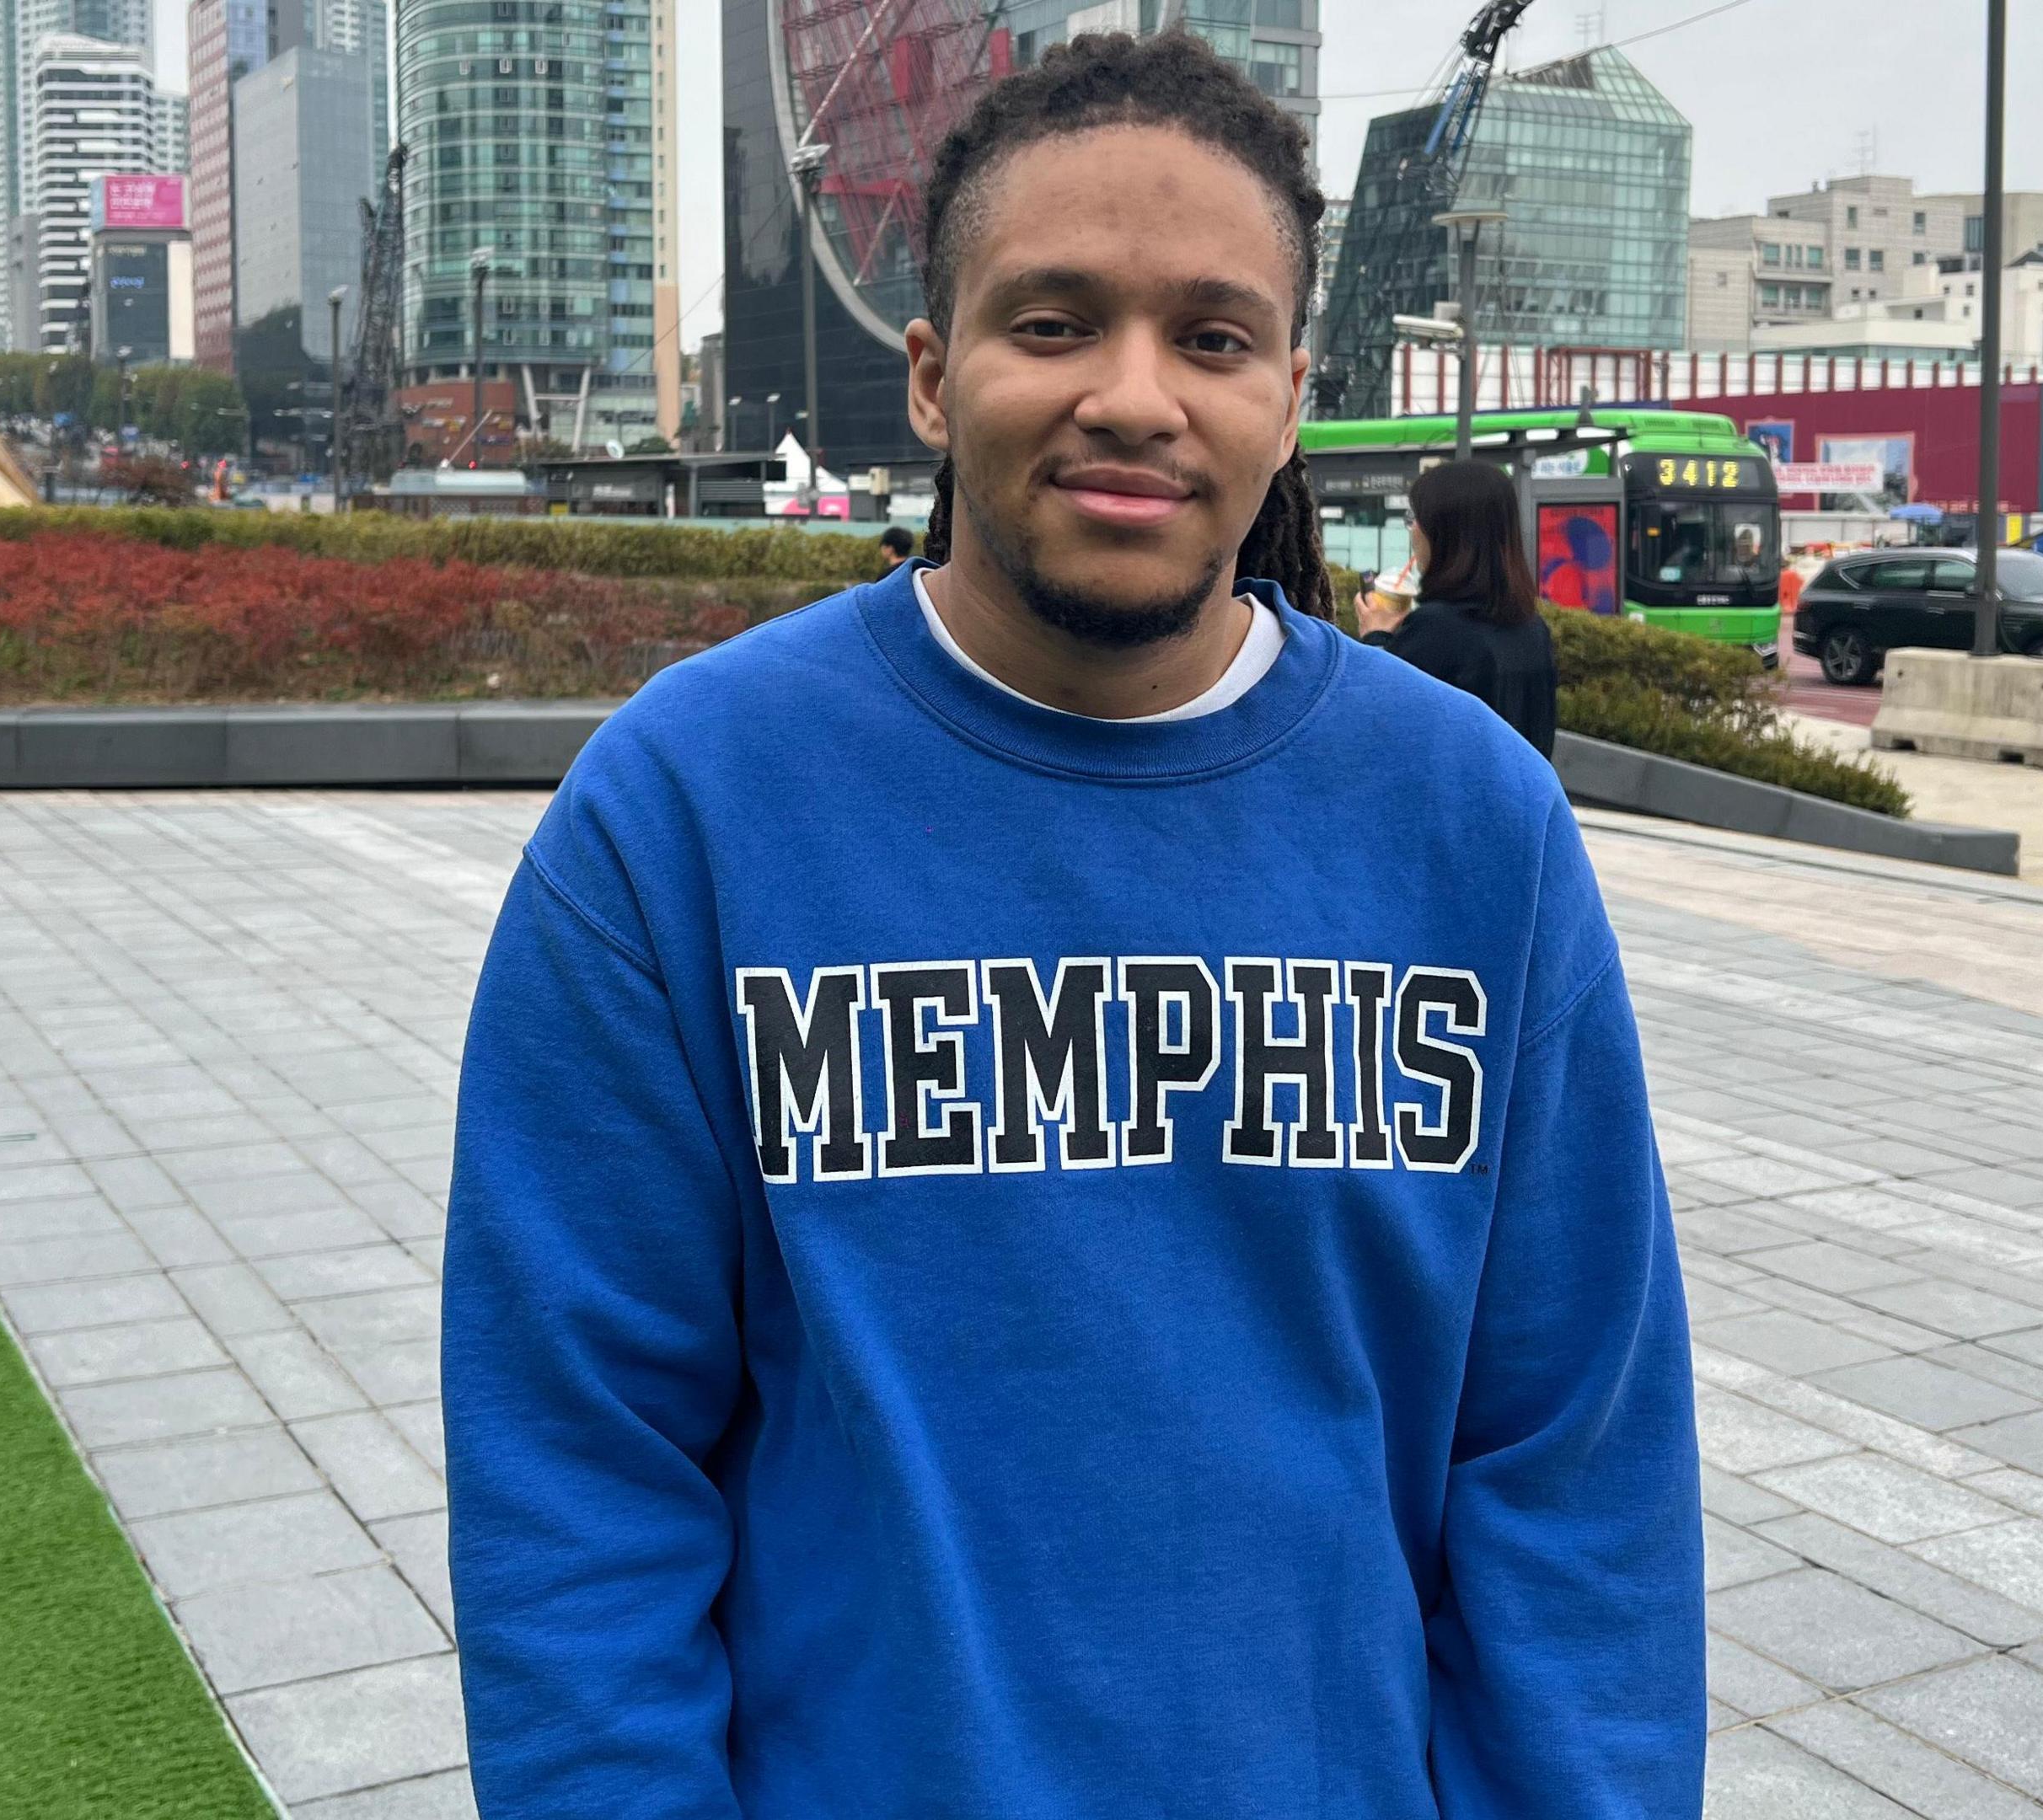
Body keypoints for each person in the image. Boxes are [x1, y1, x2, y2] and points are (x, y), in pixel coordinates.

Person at [442, 32, 1699, 1820]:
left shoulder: (1472, 829)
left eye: (1211, 335)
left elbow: (1576, 1474)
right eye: (1054, 323)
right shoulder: (685, 814)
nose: (1135, 396)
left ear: (1290, 390)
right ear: (935, 380)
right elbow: (578, 1470)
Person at [1354, 458, 1560, 756]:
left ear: (1444, 530)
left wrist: (1375, 637)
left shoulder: (1438, 629)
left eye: (1416, 517)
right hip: (1522, 800)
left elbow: (1377, 720)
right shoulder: (1532, 628)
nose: (1412, 530)